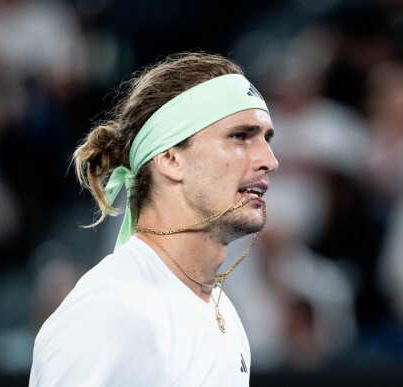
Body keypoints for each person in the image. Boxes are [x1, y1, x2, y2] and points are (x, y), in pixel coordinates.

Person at [29, 52, 279, 385]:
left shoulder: (219, 309)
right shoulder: (114, 314)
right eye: (240, 137)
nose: (269, 160)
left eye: (266, 138)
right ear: (170, 158)